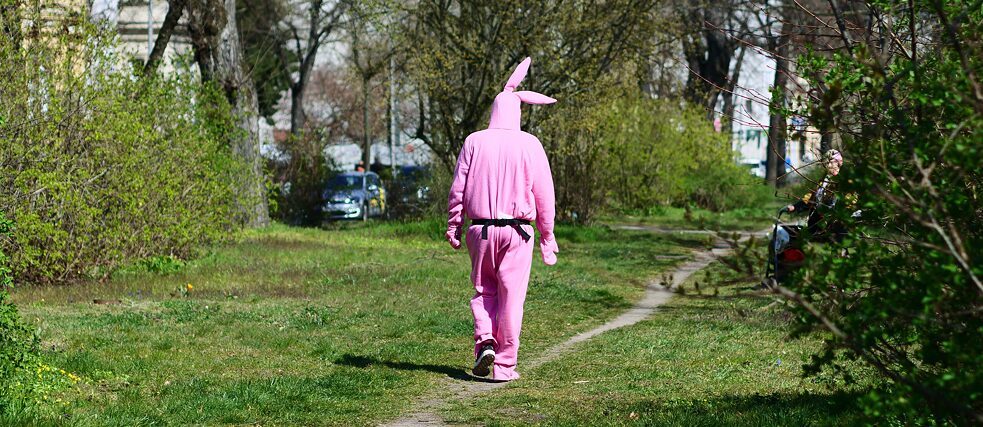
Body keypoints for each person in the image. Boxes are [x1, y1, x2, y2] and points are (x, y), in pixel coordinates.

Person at [446, 57, 559, 382]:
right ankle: (504, 367)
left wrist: (454, 225)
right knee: (512, 299)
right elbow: (544, 197)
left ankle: (485, 341)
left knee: (484, 292)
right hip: (519, 233)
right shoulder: (530, 144)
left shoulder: (473, 141)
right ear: (518, 112)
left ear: (493, 111)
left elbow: (458, 188)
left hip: (480, 230)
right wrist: (547, 237)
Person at [783, 149, 852, 242]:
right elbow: (811, 197)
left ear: (838, 163)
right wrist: (795, 207)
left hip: (835, 225)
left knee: (836, 250)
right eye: (826, 163)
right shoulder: (823, 180)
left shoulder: (843, 181)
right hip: (818, 223)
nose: (828, 165)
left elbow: (849, 202)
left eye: (831, 162)